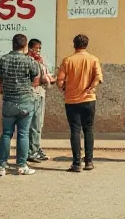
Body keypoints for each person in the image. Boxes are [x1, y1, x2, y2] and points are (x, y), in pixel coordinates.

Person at [0, 33, 41, 176]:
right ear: (25, 46)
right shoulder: (29, 61)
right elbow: (36, 79)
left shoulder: (3, 60)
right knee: (23, 134)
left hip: (9, 102)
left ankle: (1, 166)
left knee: (6, 133)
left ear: (12, 44)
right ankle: (21, 165)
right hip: (25, 102)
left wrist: (3, 91)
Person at [56, 33, 103, 172]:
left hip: (71, 100)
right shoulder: (93, 59)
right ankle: (89, 161)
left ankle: (76, 163)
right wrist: (91, 88)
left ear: (74, 45)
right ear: (86, 45)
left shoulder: (67, 61)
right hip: (89, 99)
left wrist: (64, 88)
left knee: (75, 130)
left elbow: (60, 80)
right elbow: (98, 78)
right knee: (88, 129)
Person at [26, 38, 54, 164]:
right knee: (33, 124)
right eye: (36, 48)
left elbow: (46, 74)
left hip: (41, 93)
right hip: (32, 94)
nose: (37, 51)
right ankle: (31, 151)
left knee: (39, 124)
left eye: (39, 48)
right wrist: (44, 79)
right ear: (30, 48)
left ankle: (36, 147)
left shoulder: (40, 61)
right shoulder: (28, 60)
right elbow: (34, 80)